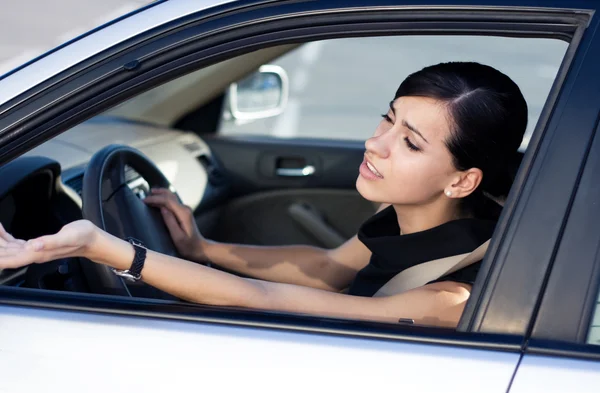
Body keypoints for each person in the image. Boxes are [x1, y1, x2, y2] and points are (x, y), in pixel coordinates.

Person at [0, 61, 527, 328]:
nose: (375, 144)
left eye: (409, 143)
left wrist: (98, 245)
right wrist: (201, 249)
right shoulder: (419, 214)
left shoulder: (449, 298)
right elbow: (326, 268)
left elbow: (268, 300)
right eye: (387, 119)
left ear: (462, 179)